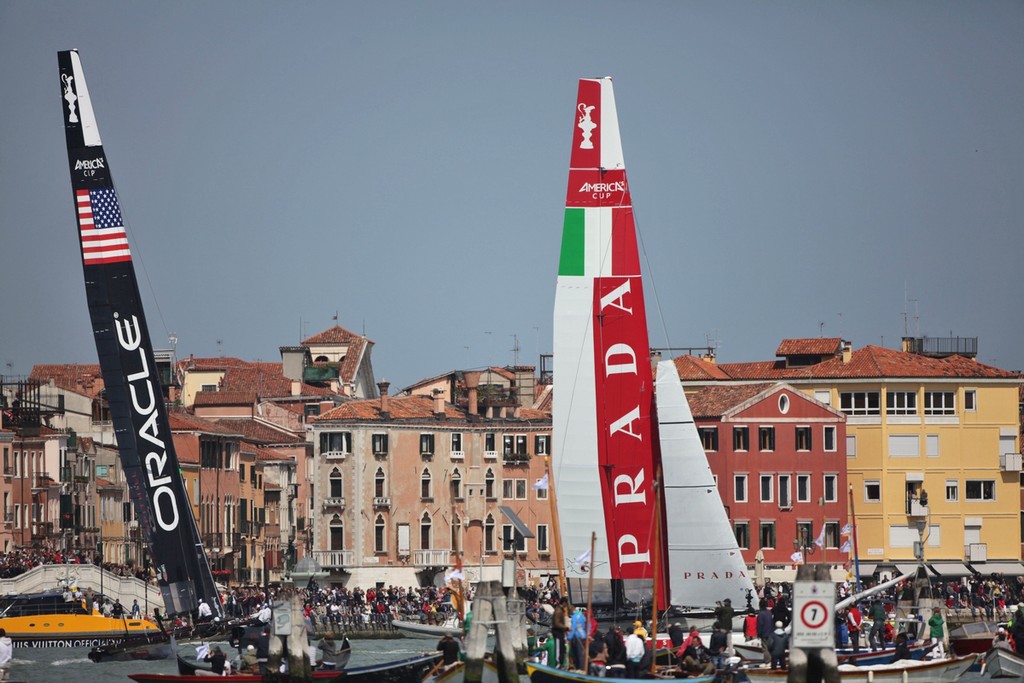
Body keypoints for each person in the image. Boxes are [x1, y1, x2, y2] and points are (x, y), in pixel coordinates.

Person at [551, 598, 569, 669]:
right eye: (566, 603)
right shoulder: (558, 611)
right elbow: (557, 623)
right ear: (564, 602)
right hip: (557, 631)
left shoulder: (560, 610)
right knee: (558, 649)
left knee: (562, 648)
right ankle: (558, 665)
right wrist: (566, 627)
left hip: (560, 632)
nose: (567, 605)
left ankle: (560, 664)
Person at [568, 606, 587, 670]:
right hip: (583, 635)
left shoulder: (574, 617)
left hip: (577, 636)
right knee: (581, 653)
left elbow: (573, 628)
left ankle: (580, 668)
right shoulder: (581, 615)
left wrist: (569, 637)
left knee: (577, 654)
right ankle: (582, 667)